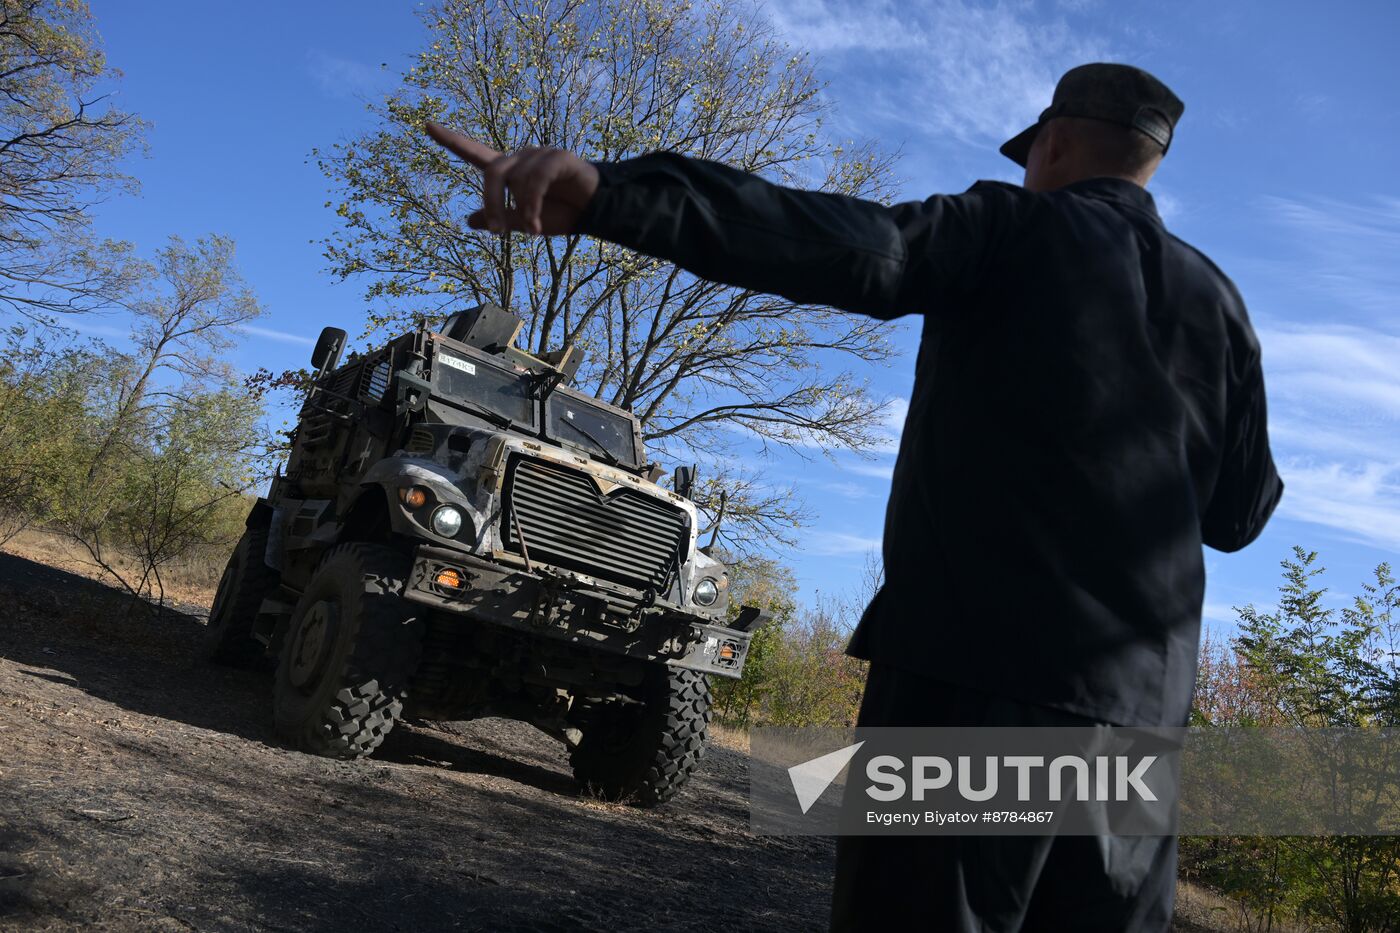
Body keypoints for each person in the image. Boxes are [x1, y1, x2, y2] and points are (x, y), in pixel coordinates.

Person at [426, 61, 1284, 932]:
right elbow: (1240, 515)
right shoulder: (1222, 308)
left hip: (976, 683)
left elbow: (851, 244)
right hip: (1140, 721)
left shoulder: (1009, 227)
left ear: (1055, 142)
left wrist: (615, 196)